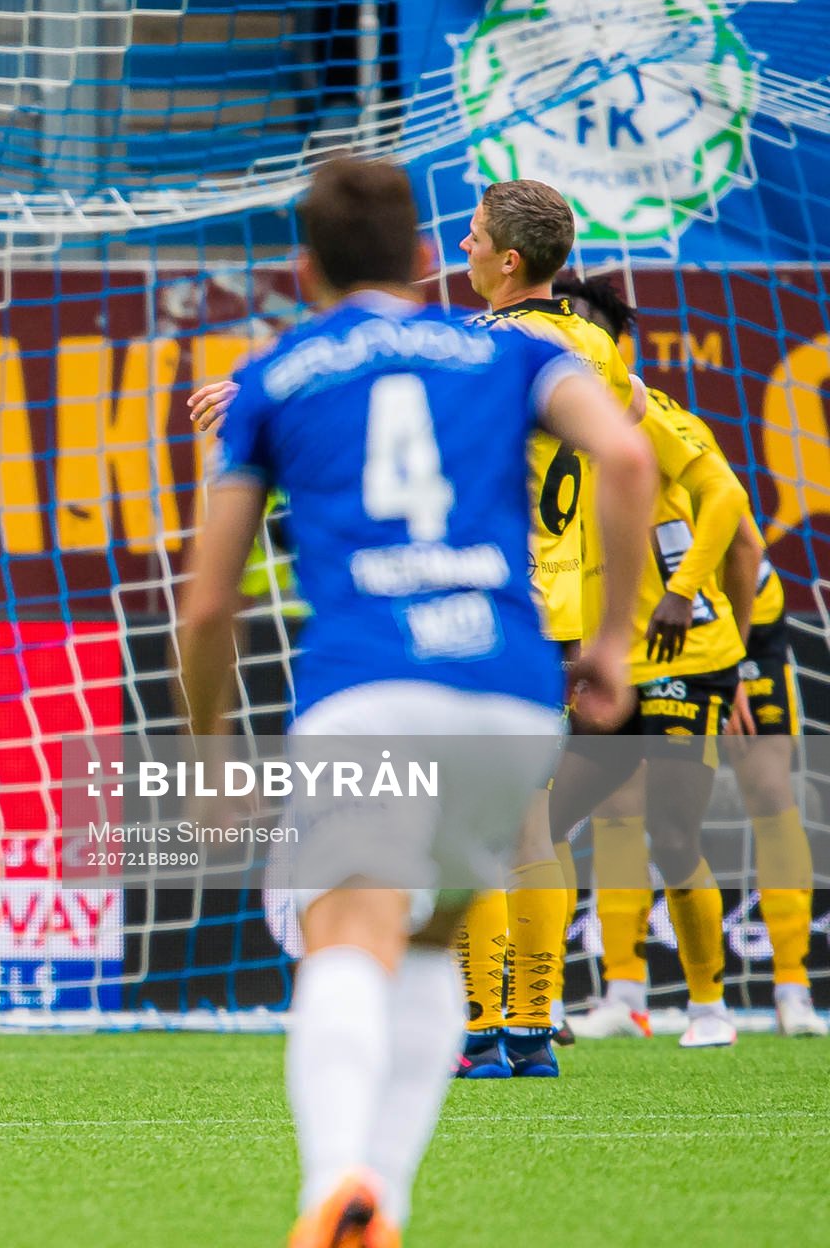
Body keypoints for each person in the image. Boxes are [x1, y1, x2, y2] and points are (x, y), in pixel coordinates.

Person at [180, 158, 653, 1245]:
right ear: (430, 258)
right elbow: (627, 454)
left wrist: (209, 754)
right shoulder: (510, 349)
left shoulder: (279, 372)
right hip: (507, 687)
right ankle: (377, 1201)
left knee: (347, 932)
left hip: (369, 686)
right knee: (433, 944)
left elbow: (209, 606)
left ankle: (337, 1182)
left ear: (302, 270)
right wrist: (615, 642)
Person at [553, 274, 827, 1041]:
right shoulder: (550, 426)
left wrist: (731, 659)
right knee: (598, 805)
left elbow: (739, 534)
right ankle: (622, 990)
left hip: (725, 628)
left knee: (759, 788)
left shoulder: (650, 416)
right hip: (624, 646)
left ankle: (786, 991)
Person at [447, 179, 644, 1077]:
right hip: (559, 614)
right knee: (529, 832)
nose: (464, 248)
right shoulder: (593, 346)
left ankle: (483, 1029)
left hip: (488, 607)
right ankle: (530, 1029)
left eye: (476, 235)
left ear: (509, 260)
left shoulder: (492, 346)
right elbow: (632, 418)